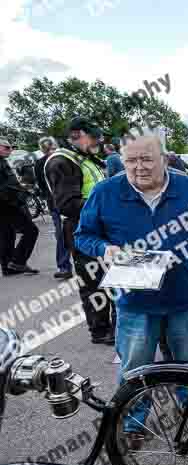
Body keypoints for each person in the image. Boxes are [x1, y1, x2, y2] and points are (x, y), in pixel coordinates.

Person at [74, 128, 188, 440]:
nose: (139, 167)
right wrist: (104, 249)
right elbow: (83, 236)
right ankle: (133, 425)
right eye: (130, 160)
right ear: (121, 159)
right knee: (135, 369)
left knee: (187, 365)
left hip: (184, 299)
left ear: (164, 158)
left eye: (147, 158)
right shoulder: (106, 192)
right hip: (134, 302)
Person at [45, 117, 114, 343]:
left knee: (108, 278)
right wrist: (106, 207)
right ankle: (100, 331)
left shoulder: (85, 158)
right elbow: (67, 204)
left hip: (100, 228)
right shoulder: (61, 162)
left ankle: (109, 325)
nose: (97, 141)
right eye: (93, 137)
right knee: (93, 283)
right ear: (77, 136)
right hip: (82, 230)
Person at [0, 137, 40, 276]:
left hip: (7, 204)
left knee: (7, 235)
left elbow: (8, 184)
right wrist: (20, 194)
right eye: (6, 147)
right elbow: (6, 188)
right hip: (8, 205)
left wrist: (21, 189)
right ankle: (18, 262)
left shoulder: (2, 161)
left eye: (10, 147)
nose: (10, 150)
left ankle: (8, 267)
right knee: (31, 230)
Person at [35, 137, 72, 279]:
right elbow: (43, 186)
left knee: (63, 234)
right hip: (60, 203)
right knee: (63, 234)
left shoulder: (62, 159)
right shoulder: (60, 159)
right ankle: (64, 266)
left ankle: (65, 266)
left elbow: (42, 186)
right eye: (49, 148)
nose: (51, 150)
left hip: (63, 202)